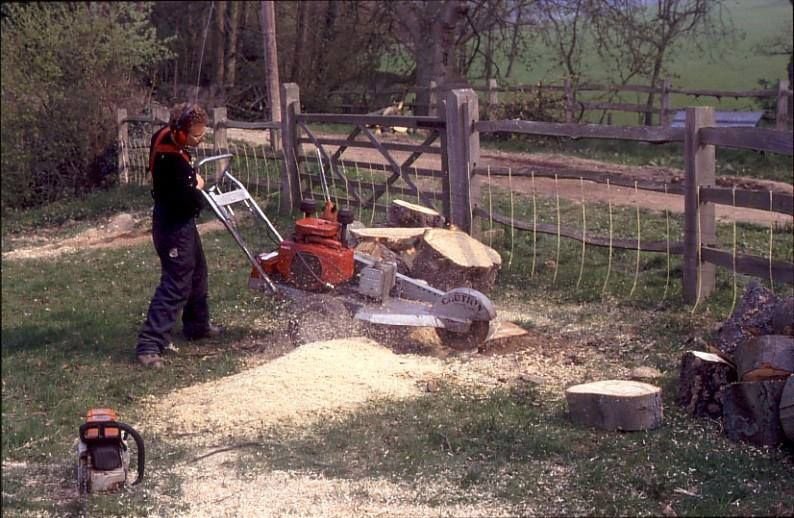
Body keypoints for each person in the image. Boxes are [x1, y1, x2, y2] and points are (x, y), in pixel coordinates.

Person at [136, 103, 222, 369]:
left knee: (197, 272)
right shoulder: (171, 162)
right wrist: (197, 184)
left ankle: (197, 326)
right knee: (176, 283)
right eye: (196, 135)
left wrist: (192, 180)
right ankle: (150, 345)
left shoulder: (162, 135)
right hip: (172, 224)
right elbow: (193, 202)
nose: (201, 138)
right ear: (180, 133)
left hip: (179, 220)